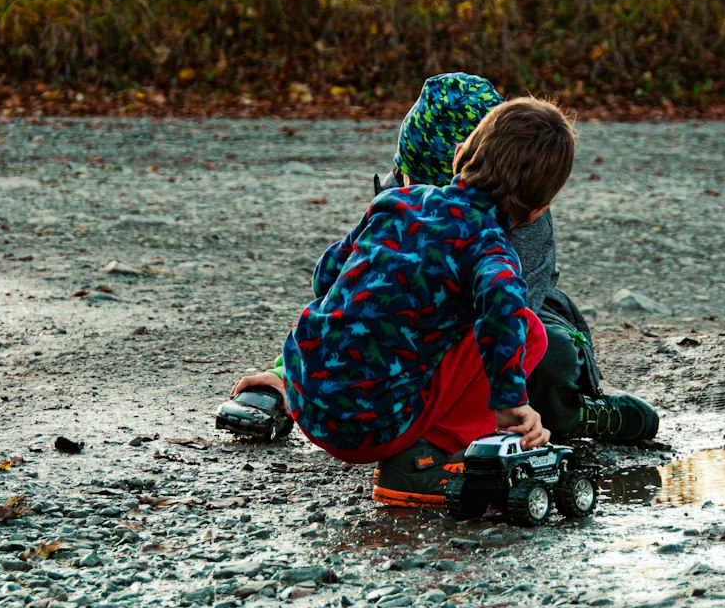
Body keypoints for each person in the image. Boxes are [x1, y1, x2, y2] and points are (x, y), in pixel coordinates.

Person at [231, 96, 572, 504]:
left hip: (306, 399)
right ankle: (422, 463)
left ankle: (297, 383)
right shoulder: (492, 254)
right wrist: (510, 405)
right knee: (529, 330)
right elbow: (502, 316)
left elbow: (325, 278)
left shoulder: (393, 203)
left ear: (459, 154)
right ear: (539, 210)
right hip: (371, 430)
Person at [376, 72, 659, 447]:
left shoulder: (522, 212)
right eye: (417, 186)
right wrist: (289, 376)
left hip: (499, 317)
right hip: (419, 324)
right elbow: (342, 294)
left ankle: (575, 413)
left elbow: (509, 315)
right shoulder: (399, 195)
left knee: (548, 350)